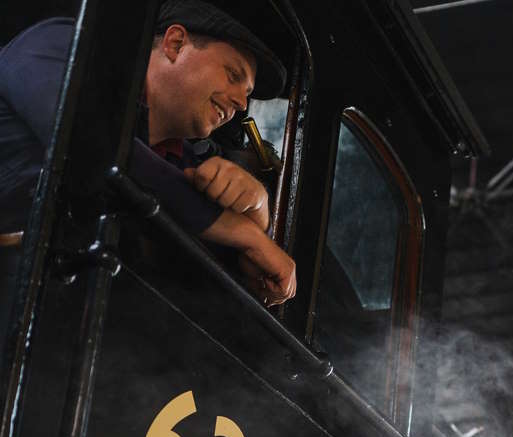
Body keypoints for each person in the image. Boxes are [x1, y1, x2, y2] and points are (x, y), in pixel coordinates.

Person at [0, 1, 295, 310]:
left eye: (247, 94)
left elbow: (209, 275)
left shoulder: (181, 166)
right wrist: (244, 232)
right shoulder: (60, 48)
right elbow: (93, 148)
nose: (241, 104)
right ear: (175, 43)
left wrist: (258, 213)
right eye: (233, 74)